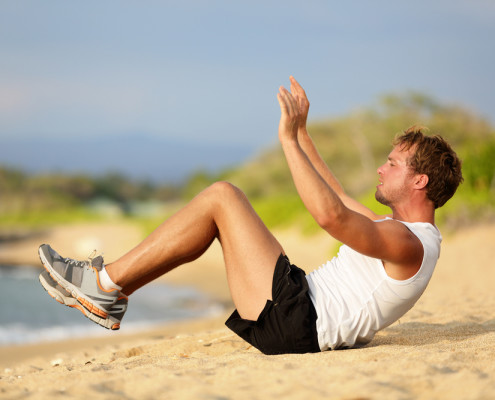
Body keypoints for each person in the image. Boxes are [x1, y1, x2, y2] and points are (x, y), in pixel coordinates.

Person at [38, 77, 463, 354]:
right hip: (298, 309)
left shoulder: (408, 244)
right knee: (217, 208)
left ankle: (104, 285)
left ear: (420, 181)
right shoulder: (398, 231)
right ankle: (112, 291)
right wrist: (301, 133)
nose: (381, 168)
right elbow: (337, 194)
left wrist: (287, 144)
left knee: (223, 197)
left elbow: (332, 217)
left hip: (298, 320)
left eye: (392, 163)